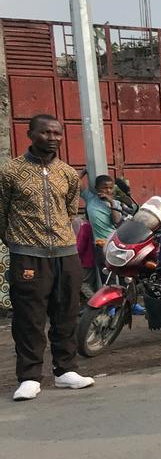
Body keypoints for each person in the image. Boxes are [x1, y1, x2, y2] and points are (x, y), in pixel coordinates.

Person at [0, 114, 95, 401]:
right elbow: (2, 213)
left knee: (66, 312)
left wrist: (60, 239)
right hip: (28, 255)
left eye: (57, 133)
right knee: (29, 318)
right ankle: (29, 377)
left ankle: (65, 370)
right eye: (45, 133)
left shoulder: (67, 173)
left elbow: (69, 212)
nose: (52, 138)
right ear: (30, 135)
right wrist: (18, 242)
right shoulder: (10, 172)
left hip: (66, 254)